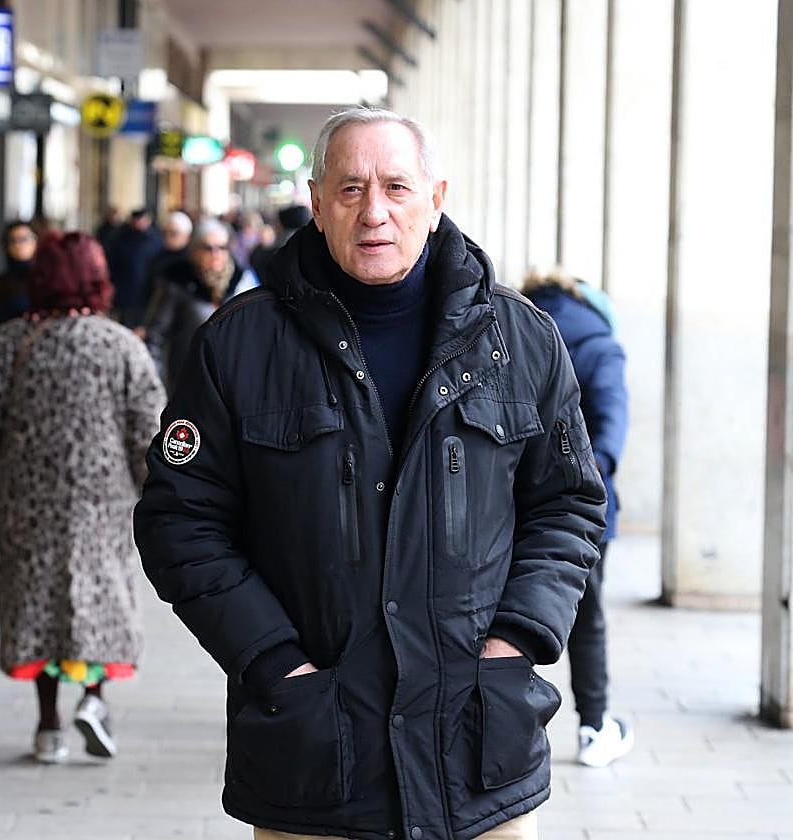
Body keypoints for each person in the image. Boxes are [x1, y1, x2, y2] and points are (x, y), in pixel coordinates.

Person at [134, 108, 606, 840]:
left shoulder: (520, 340)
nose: (375, 212)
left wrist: (514, 644)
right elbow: (178, 520)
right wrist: (274, 662)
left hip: (480, 757)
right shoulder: (239, 344)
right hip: (314, 762)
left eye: (396, 186)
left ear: (436, 196)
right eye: (350, 189)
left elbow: (568, 506)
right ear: (317, 201)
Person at [0, 231, 164, 764]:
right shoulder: (120, 346)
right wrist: (147, 486)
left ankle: (48, 727)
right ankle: (93, 700)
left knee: (37, 603)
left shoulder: (11, 342)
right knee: (99, 598)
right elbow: (151, 431)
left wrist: (2, 472)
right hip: (104, 502)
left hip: (29, 502)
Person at [523, 267, 631, 768]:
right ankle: (593, 727)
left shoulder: (511, 327)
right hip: (578, 508)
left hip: (504, 502)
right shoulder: (599, 345)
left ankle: (500, 722)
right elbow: (611, 426)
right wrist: (585, 479)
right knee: (587, 617)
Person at [141, 219, 259, 387]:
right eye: (208, 248)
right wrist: (156, 382)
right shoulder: (177, 282)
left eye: (222, 247)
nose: (216, 253)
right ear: (195, 250)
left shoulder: (243, 280)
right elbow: (154, 335)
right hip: (188, 381)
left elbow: (256, 329)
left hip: (234, 380)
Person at [106, 208, 162, 328]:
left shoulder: (156, 240)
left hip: (148, 292)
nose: (139, 223)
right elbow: (112, 265)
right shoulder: (120, 238)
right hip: (125, 292)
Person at [0, 220, 37, 326]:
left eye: (24, 239)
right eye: (13, 241)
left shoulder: (45, 280)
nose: (18, 245)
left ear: (35, 241)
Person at [250, 204, 313, 280]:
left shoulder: (282, 252)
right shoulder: (307, 249)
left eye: (277, 222)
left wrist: (262, 246)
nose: (274, 224)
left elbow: (257, 263)